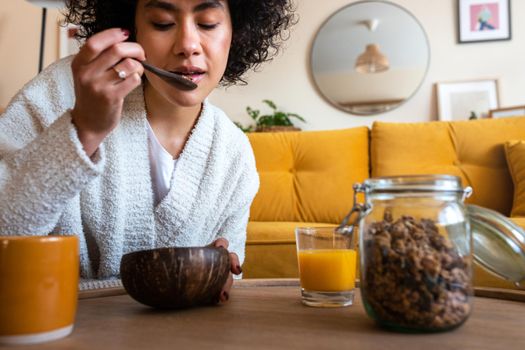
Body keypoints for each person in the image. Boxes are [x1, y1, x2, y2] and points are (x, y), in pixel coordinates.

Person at [0, 0, 296, 301]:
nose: (188, 45)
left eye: (207, 23)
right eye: (162, 23)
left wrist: (216, 275)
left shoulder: (233, 153)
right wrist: (85, 129)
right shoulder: (62, 91)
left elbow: (231, 275)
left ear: (238, 31)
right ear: (131, 30)